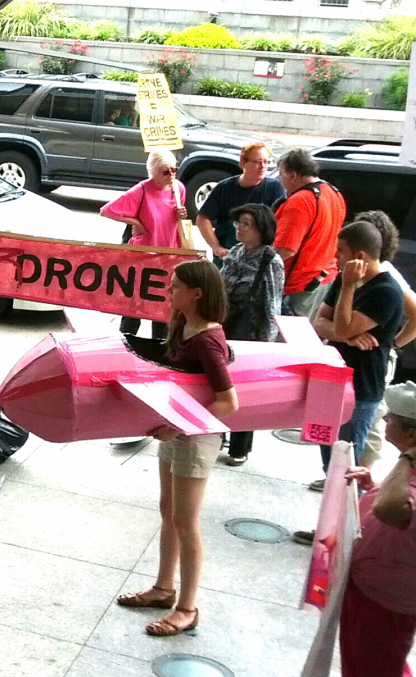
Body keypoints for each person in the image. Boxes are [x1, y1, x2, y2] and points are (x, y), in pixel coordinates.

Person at [116, 260, 238, 637]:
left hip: (194, 436)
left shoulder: (207, 339)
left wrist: (178, 426)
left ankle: (187, 608)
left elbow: (228, 402)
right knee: (168, 512)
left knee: (186, 521)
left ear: (196, 293)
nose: (169, 291)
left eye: (176, 287)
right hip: (178, 430)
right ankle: (163, 588)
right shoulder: (185, 326)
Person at [293, 221, 406, 544]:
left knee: (347, 462)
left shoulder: (385, 290)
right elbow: (319, 322)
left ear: (360, 256)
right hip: (332, 380)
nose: (336, 258)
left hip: (361, 390)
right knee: (330, 460)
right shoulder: (345, 277)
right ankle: (330, 527)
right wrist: (346, 333)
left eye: (340, 252)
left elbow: (339, 328)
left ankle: (341, 535)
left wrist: (347, 297)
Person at [337, 381, 416, 677]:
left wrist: (410, 455)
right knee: (363, 658)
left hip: (387, 599)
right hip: (371, 589)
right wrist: (374, 486)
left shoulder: (409, 461)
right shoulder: (408, 465)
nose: (385, 420)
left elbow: (391, 509)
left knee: (374, 666)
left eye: (391, 418)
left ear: (411, 434)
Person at [218, 204, 285, 466]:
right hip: (226, 325)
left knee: (245, 392)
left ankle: (240, 447)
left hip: (251, 333)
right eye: (239, 223)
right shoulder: (236, 251)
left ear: (261, 229)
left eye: (246, 224)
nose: (240, 228)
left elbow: (273, 307)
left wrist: (266, 348)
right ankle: (217, 434)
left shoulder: (271, 261)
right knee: (220, 385)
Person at [100, 149, 188, 340]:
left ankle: (160, 349)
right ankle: (125, 346)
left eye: (174, 170)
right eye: (165, 172)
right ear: (153, 172)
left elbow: (175, 221)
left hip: (168, 256)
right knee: (134, 309)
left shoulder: (178, 189)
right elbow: (106, 210)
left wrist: (181, 215)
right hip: (143, 257)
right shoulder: (141, 190)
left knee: (163, 310)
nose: (171, 175)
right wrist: (136, 222)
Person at [354, 210, 416, 472]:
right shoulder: (358, 271)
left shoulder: (386, 274)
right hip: (357, 357)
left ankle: (363, 472)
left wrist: (394, 344)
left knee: (373, 417)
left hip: (377, 359)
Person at [274, 148, 346, 320]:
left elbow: (285, 250)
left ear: (293, 175)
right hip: (325, 279)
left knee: (288, 334)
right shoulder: (334, 193)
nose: (280, 180)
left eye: (281, 174)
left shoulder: (299, 201)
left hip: (300, 285)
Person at [196, 143, 285, 265]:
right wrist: (216, 247)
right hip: (227, 256)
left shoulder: (275, 188)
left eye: (266, 162)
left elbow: (281, 223)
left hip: (258, 258)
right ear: (243, 162)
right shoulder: (224, 188)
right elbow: (202, 218)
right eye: (258, 162)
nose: (263, 166)